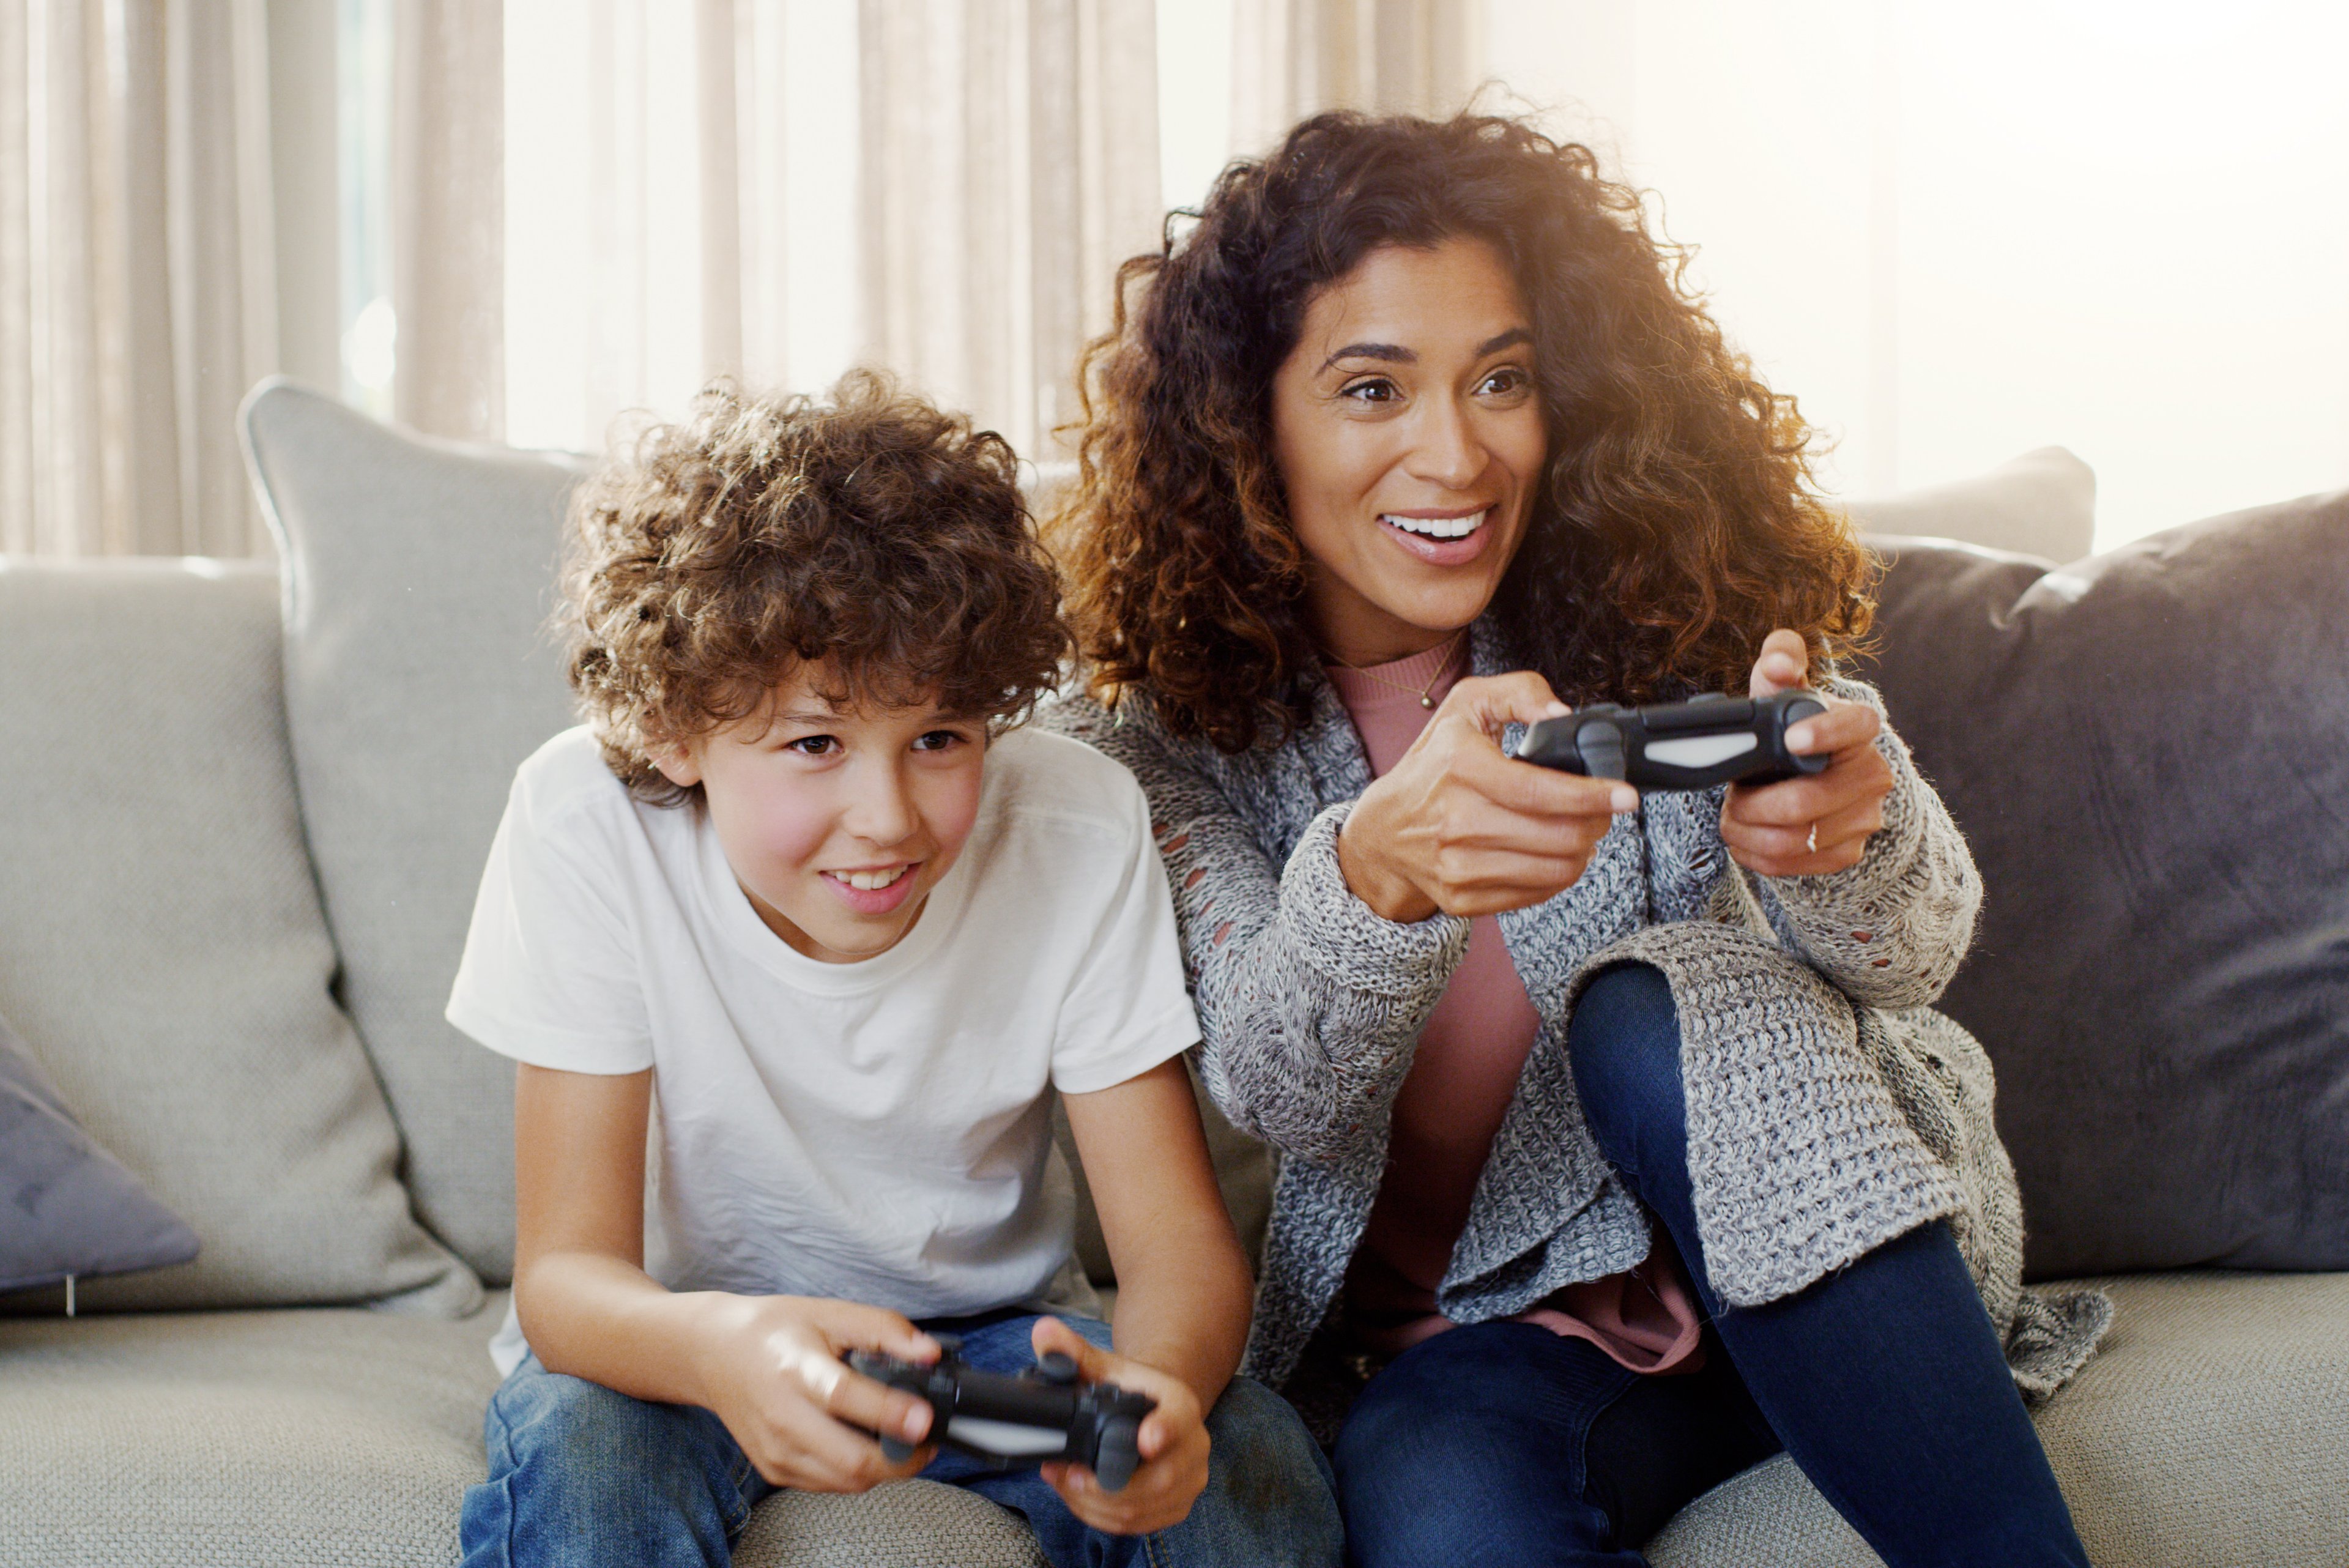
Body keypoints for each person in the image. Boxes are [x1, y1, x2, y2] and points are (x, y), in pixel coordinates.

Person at [1042, 112, 2109, 1567]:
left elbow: (1909, 954)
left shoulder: (1664, 597)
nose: (1458, 453)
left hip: (1831, 1252)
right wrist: (1374, 882)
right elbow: (1279, 1086)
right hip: (1498, 1348)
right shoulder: (1154, 749)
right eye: (1372, 388)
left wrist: (1843, 839)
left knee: (1652, 995)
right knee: (1433, 1494)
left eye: (1503, 380)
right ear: (1248, 426)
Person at [448, 375, 1340, 1568]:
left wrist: (1156, 1391)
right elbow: (567, 1280)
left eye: (939, 738)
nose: (888, 818)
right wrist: (724, 1351)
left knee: (1249, 1454)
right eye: (814, 743)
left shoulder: (1077, 823)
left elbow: (1177, 1249)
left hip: (992, 1335)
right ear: (674, 729)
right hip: (673, 1346)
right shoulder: (583, 820)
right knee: (588, 1465)